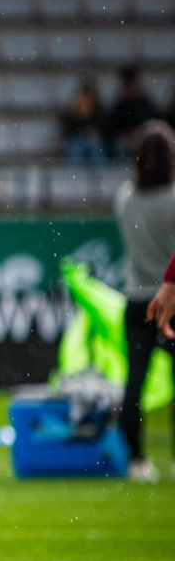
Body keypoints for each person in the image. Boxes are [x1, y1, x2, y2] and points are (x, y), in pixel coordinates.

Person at [112, 122, 175, 483]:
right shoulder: (172, 199)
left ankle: (136, 460)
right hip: (171, 298)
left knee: (135, 382)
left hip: (137, 298)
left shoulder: (125, 198)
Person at [106, 66, 157, 158]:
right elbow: (113, 124)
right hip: (123, 138)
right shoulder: (119, 105)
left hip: (142, 135)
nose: (130, 90)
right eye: (127, 87)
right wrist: (125, 133)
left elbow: (150, 122)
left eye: (131, 86)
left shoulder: (144, 103)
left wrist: (138, 132)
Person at [60, 79, 105, 167]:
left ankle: (100, 173)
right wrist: (82, 135)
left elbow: (105, 131)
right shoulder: (70, 116)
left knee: (97, 149)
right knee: (75, 149)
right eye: (82, 100)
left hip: (95, 144)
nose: (85, 103)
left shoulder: (99, 114)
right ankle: (75, 173)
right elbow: (67, 133)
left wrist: (93, 135)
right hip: (77, 143)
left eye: (87, 99)